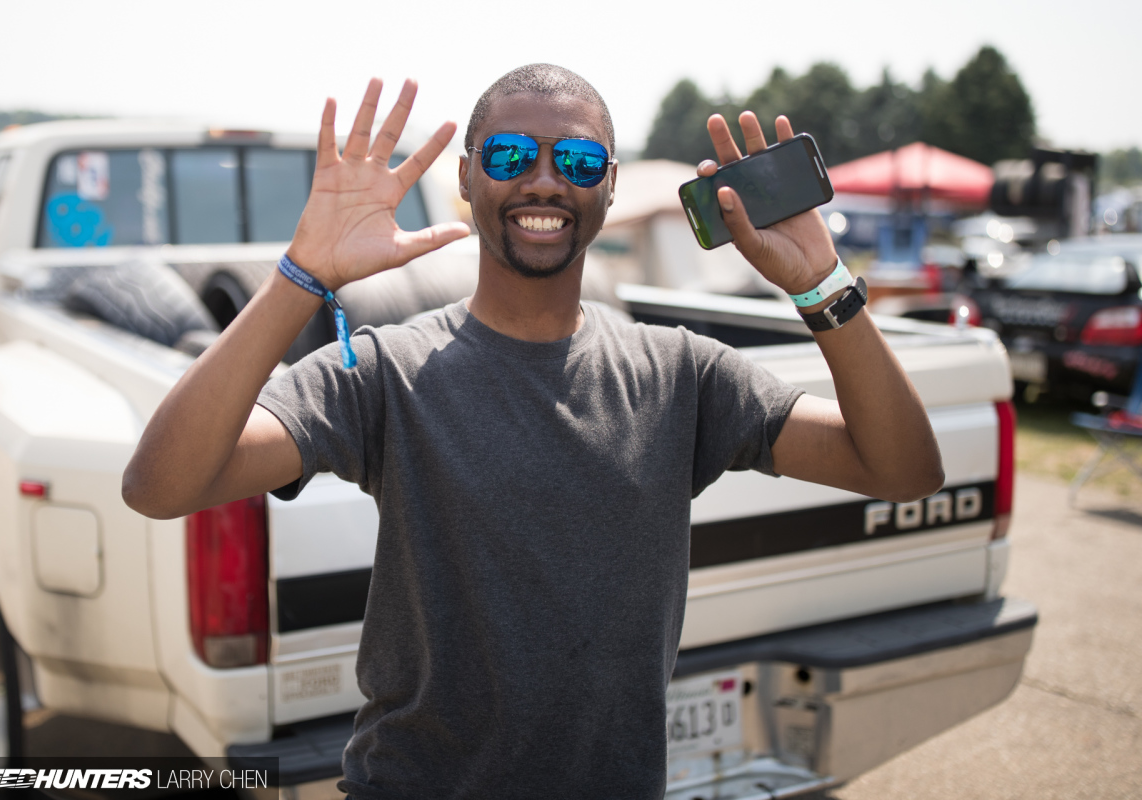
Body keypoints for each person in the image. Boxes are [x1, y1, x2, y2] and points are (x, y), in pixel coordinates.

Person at [123, 65, 944, 800]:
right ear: (468, 181)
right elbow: (161, 485)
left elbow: (902, 469)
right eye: (511, 157)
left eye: (579, 162)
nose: (545, 181)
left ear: (611, 187)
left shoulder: (684, 374)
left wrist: (823, 285)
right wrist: (301, 277)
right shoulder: (384, 372)